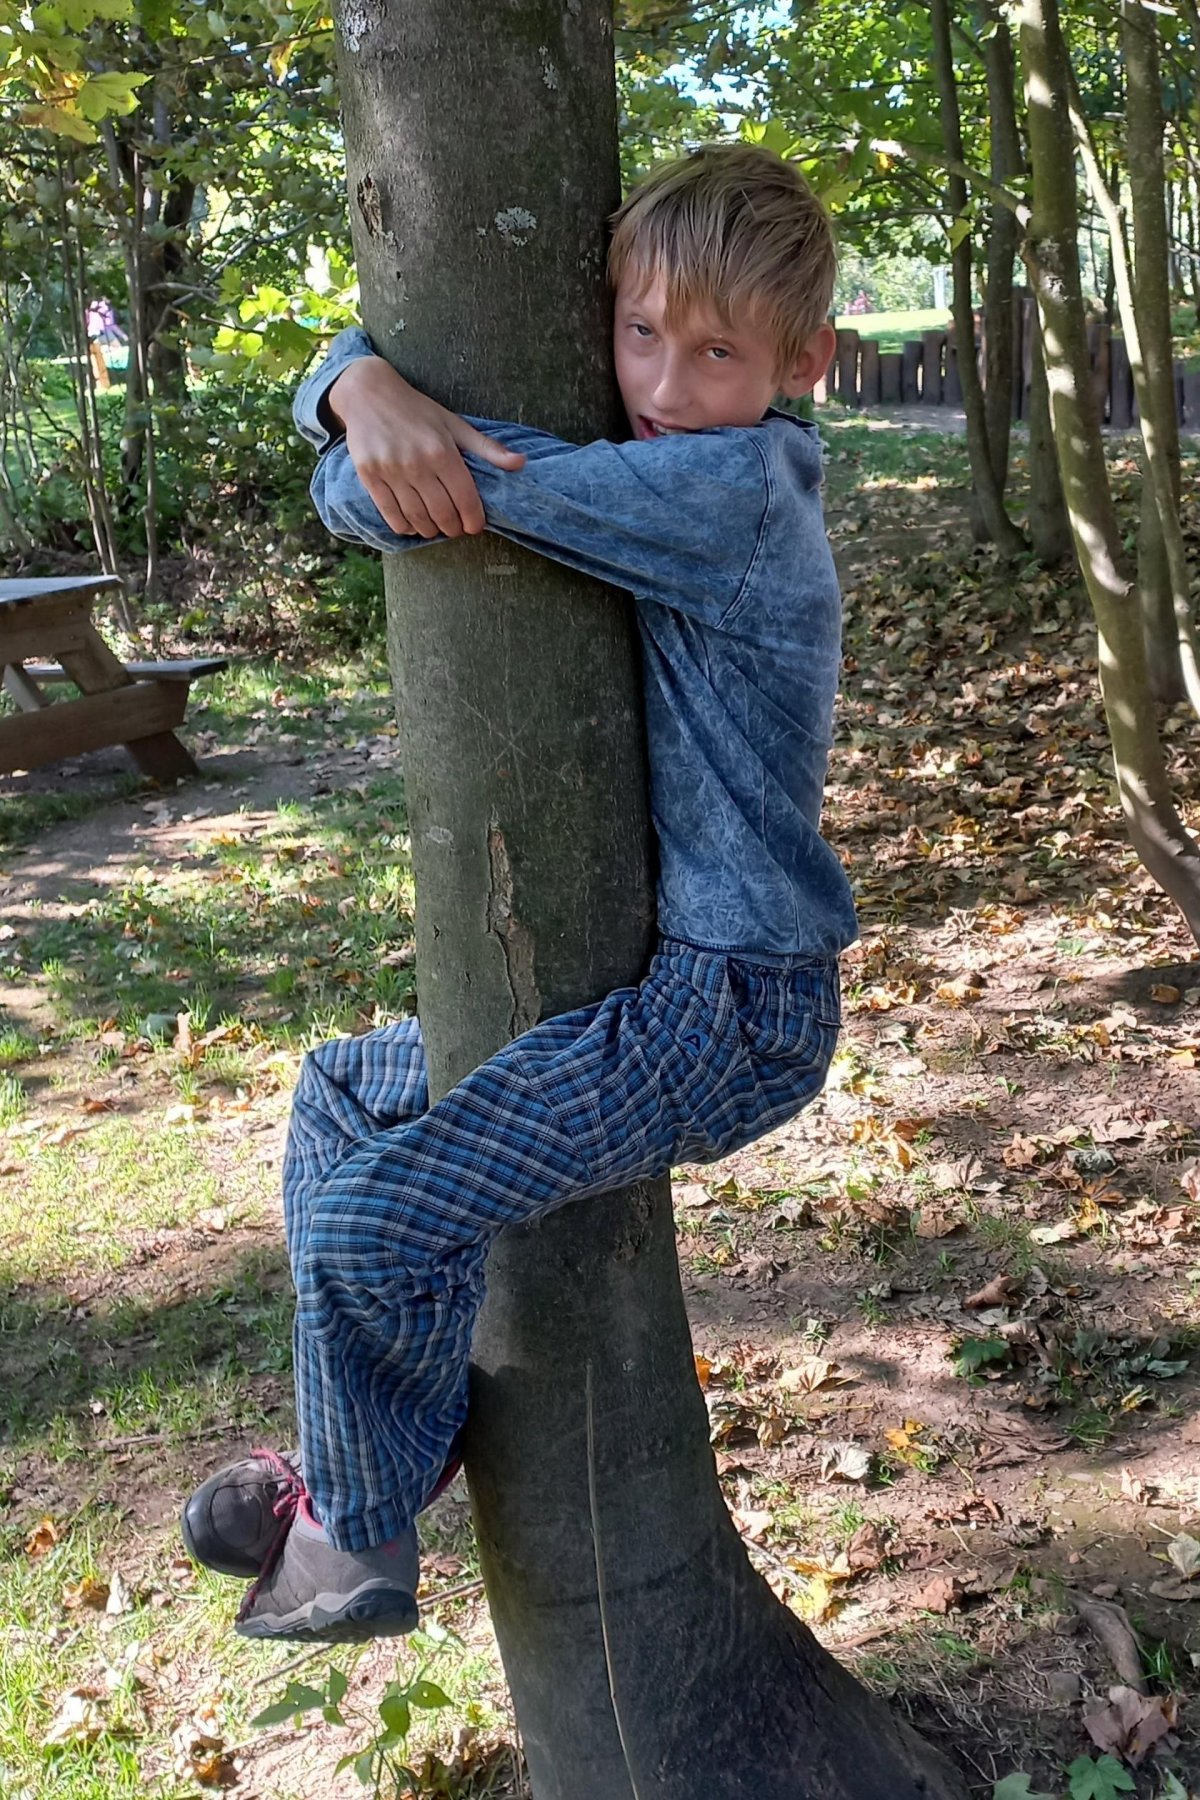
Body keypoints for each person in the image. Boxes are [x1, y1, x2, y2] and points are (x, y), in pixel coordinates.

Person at [181, 142, 858, 1644]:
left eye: (718, 352)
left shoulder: (729, 488)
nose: (663, 384)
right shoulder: (693, 461)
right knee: (338, 1096)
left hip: (730, 1009)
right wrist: (359, 387)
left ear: (804, 362)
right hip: (660, 974)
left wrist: (352, 388)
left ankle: (354, 1534)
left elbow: (381, 499)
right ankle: (373, 1456)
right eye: (640, 332)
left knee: (365, 1228)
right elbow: (395, 470)